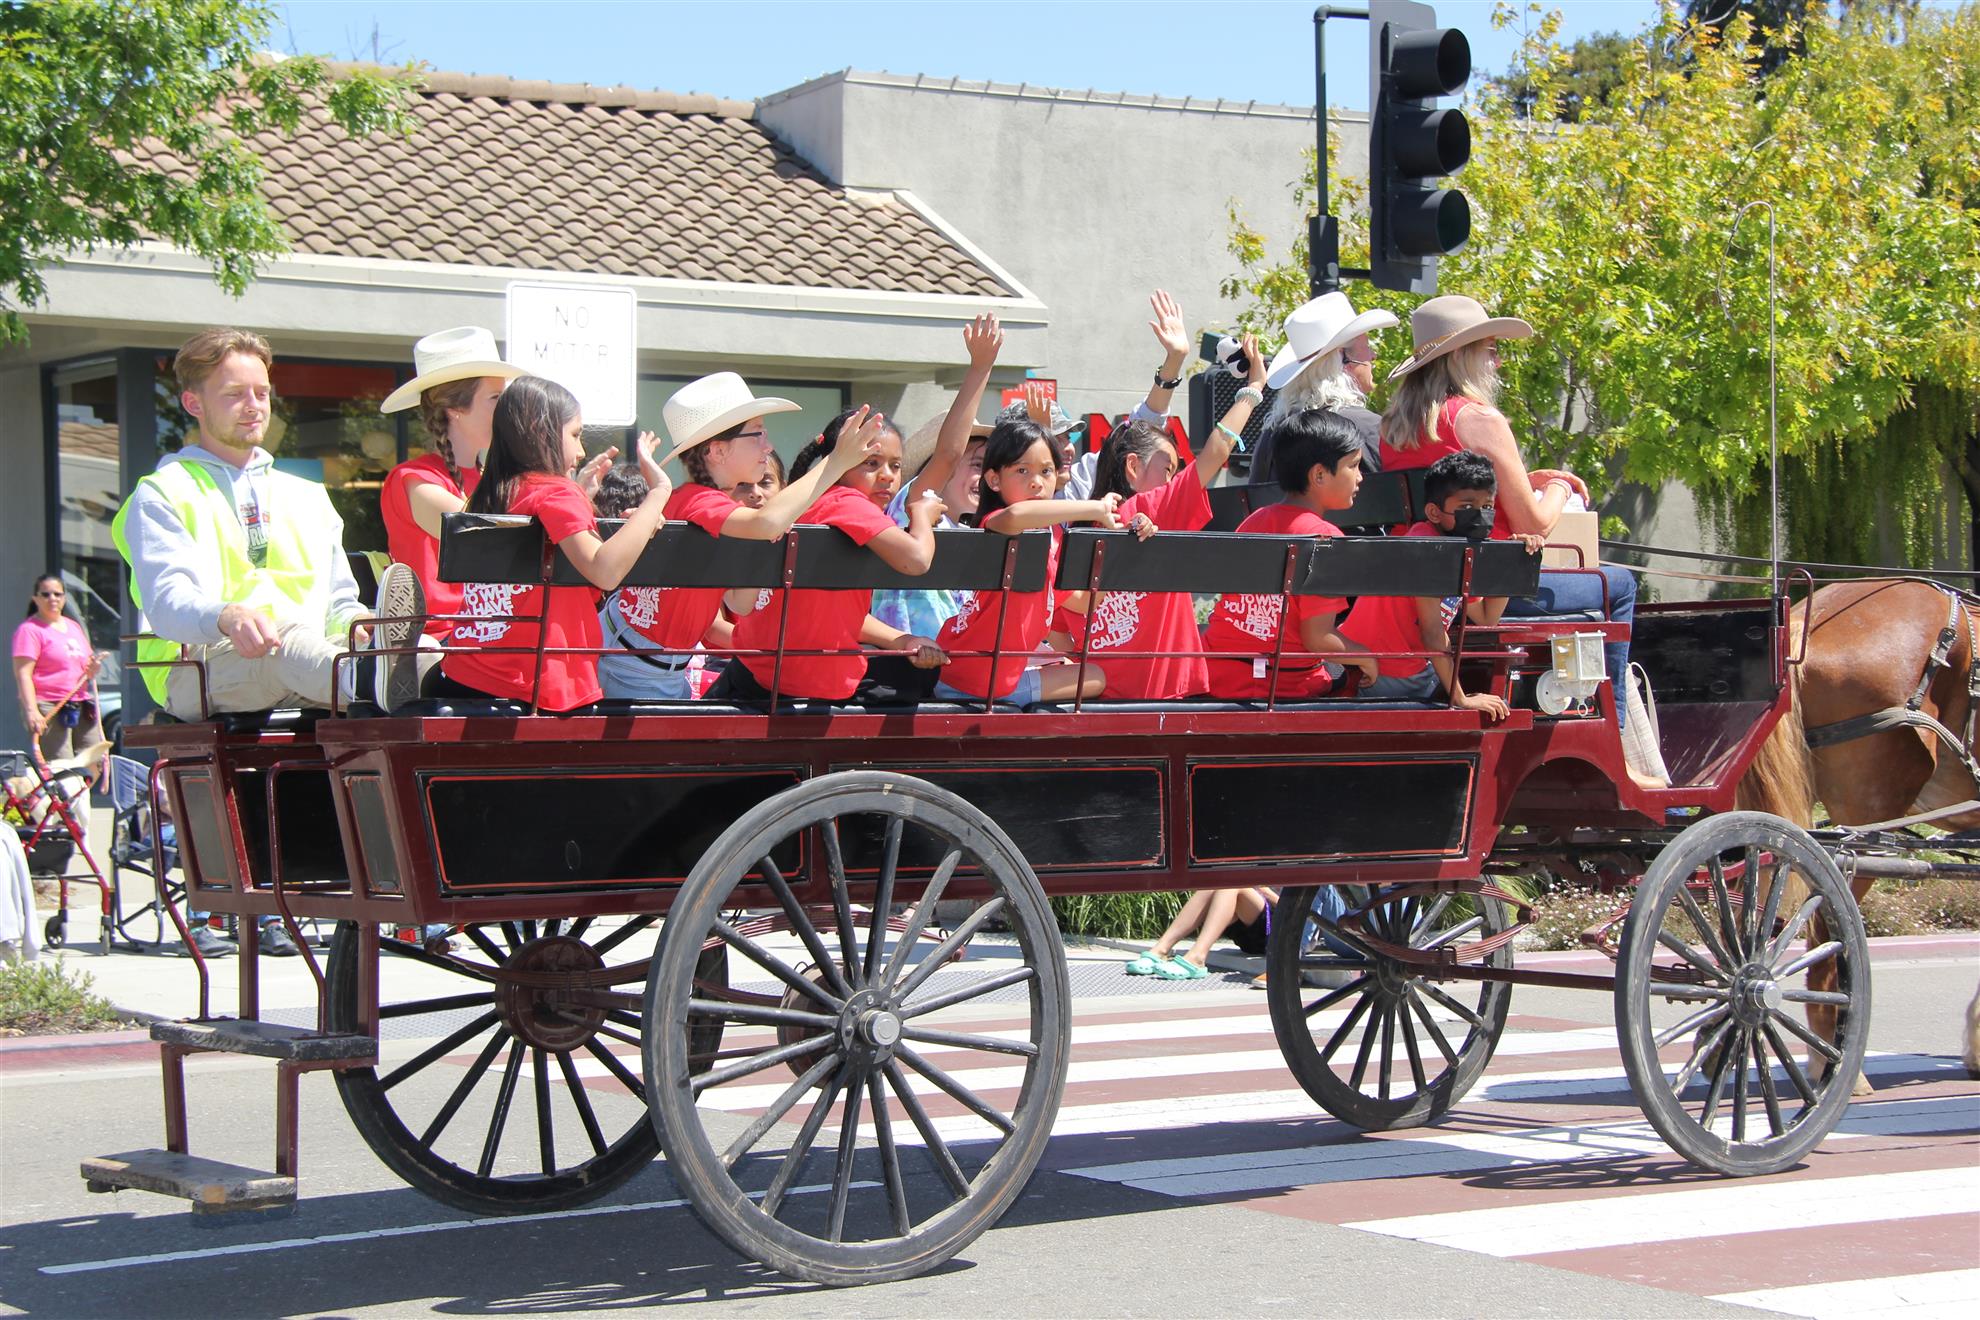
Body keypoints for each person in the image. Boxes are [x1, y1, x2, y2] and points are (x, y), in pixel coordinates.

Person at [1378, 295, 1659, 785]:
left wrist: (1525, 477)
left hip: (1438, 591)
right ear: (1461, 356)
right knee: (1619, 584)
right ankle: (1615, 744)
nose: (1497, 359)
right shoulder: (1478, 419)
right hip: (1490, 590)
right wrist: (1559, 485)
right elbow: (1534, 524)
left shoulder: (1396, 428)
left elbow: (1460, 489)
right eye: (1488, 349)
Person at [110, 327, 407, 724]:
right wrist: (227, 616)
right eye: (235, 394)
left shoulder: (308, 494)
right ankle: (375, 679)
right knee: (292, 645)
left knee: (417, 649)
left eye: (262, 393)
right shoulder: (162, 492)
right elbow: (167, 602)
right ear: (192, 402)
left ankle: (412, 674)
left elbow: (337, 602)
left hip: (308, 659)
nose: (253, 406)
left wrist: (357, 623)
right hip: (198, 668)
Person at [595, 372, 883, 700]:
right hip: (635, 665)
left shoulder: (714, 507)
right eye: (757, 433)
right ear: (717, 451)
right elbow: (765, 522)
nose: (768, 445)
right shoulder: (700, 500)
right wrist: (835, 463)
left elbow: (740, 603)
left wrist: (762, 539)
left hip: (650, 661)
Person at [434, 377, 671, 711]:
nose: (581, 450)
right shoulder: (556, 491)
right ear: (538, 429)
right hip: (542, 683)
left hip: (470, 670)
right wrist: (658, 494)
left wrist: (581, 500)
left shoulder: (494, 492)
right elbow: (604, 571)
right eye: (575, 435)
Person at [1055, 326, 1267, 700]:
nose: (1174, 479)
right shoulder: (1150, 507)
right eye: (1168, 469)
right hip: (1167, 700)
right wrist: (1254, 390)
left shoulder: (1069, 535)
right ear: (1133, 468)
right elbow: (1217, 452)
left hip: (1097, 704)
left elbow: (1056, 634)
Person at [710, 408, 945, 703]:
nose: (887, 476)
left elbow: (831, 614)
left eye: (895, 466)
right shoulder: (847, 503)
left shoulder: (816, 504)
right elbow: (917, 559)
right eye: (871, 463)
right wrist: (922, 515)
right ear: (841, 463)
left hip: (754, 673)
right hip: (803, 683)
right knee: (916, 681)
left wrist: (902, 638)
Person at [934, 411, 1140, 706]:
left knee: (1094, 675)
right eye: (1022, 471)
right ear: (994, 480)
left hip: (993, 676)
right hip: (976, 679)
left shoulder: (1053, 535)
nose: (1036, 482)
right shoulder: (997, 522)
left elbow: (1084, 602)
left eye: (1046, 472)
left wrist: (1123, 550)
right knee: (1094, 678)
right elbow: (1018, 515)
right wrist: (1093, 509)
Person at [1339, 451, 1533, 714]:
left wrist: (1511, 562)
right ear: (1434, 512)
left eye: (1487, 507)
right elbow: (1431, 633)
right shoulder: (1426, 546)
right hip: (1387, 671)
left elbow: (1487, 616)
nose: (1479, 516)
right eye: (1466, 507)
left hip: (1412, 667)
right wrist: (1461, 699)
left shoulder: (1459, 549)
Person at [1201, 408, 1370, 700]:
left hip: (1218, 674)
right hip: (1284, 685)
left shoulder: (1254, 521)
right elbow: (1318, 639)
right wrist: (1369, 657)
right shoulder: (1325, 538)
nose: (1360, 477)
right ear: (1319, 474)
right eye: (1354, 465)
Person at [377, 327, 527, 644]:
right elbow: (484, 538)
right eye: (496, 398)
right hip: (438, 636)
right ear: (455, 409)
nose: (507, 410)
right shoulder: (412, 479)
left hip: (489, 630)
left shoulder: (495, 477)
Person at [873, 315, 1001, 638]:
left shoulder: (979, 532)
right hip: (906, 670)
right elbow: (948, 454)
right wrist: (980, 369)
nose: (984, 476)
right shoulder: (913, 507)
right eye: (976, 463)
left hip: (951, 669)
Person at [1250, 291, 1399, 487]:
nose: (1373, 355)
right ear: (1343, 358)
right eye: (1367, 345)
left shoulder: (1271, 433)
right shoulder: (1370, 427)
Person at [13, 575, 105, 765]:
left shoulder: (73, 626)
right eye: (45, 594)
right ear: (35, 599)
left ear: (64, 598)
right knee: (61, 765)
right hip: (49, 704)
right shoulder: (30, 630)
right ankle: (61, 795)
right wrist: (32, 711)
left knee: (94, 759)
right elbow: (23, 674)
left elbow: (86, 665)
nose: (52, 599)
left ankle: (81, 794)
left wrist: (93, 667)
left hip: (79, 702)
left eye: (57, 594)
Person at [1125, 886, 1278, 981]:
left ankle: (1197, 957)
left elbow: (1299, 910)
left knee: (1231, 885)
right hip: (1250, 928)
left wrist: (1265, 891)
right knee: (1213, 883)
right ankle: (1161, 950)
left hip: (1279, 932)